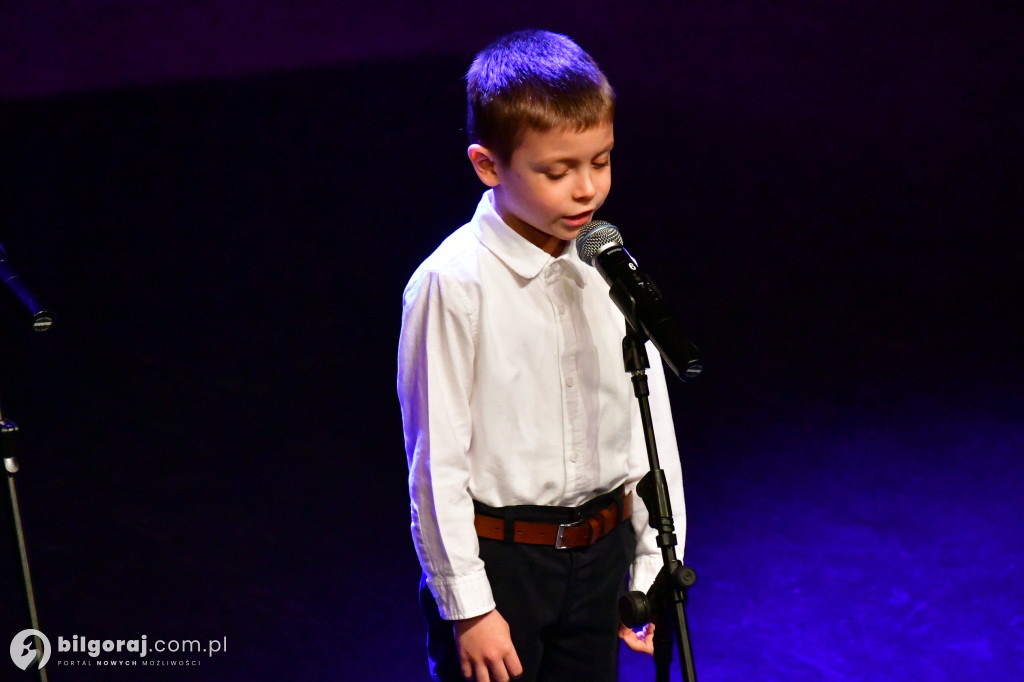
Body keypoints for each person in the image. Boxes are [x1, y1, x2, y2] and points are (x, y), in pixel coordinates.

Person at [398, 29, 686, 682]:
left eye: (601, 161)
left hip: (602, 554)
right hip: (505, 564)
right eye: (557, 172)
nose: (587, 189)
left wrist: (652, 562)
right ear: (488, 166)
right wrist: (469, 607)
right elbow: (437, 461)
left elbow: (646, 427)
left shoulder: (607, 265)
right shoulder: (453, 284)